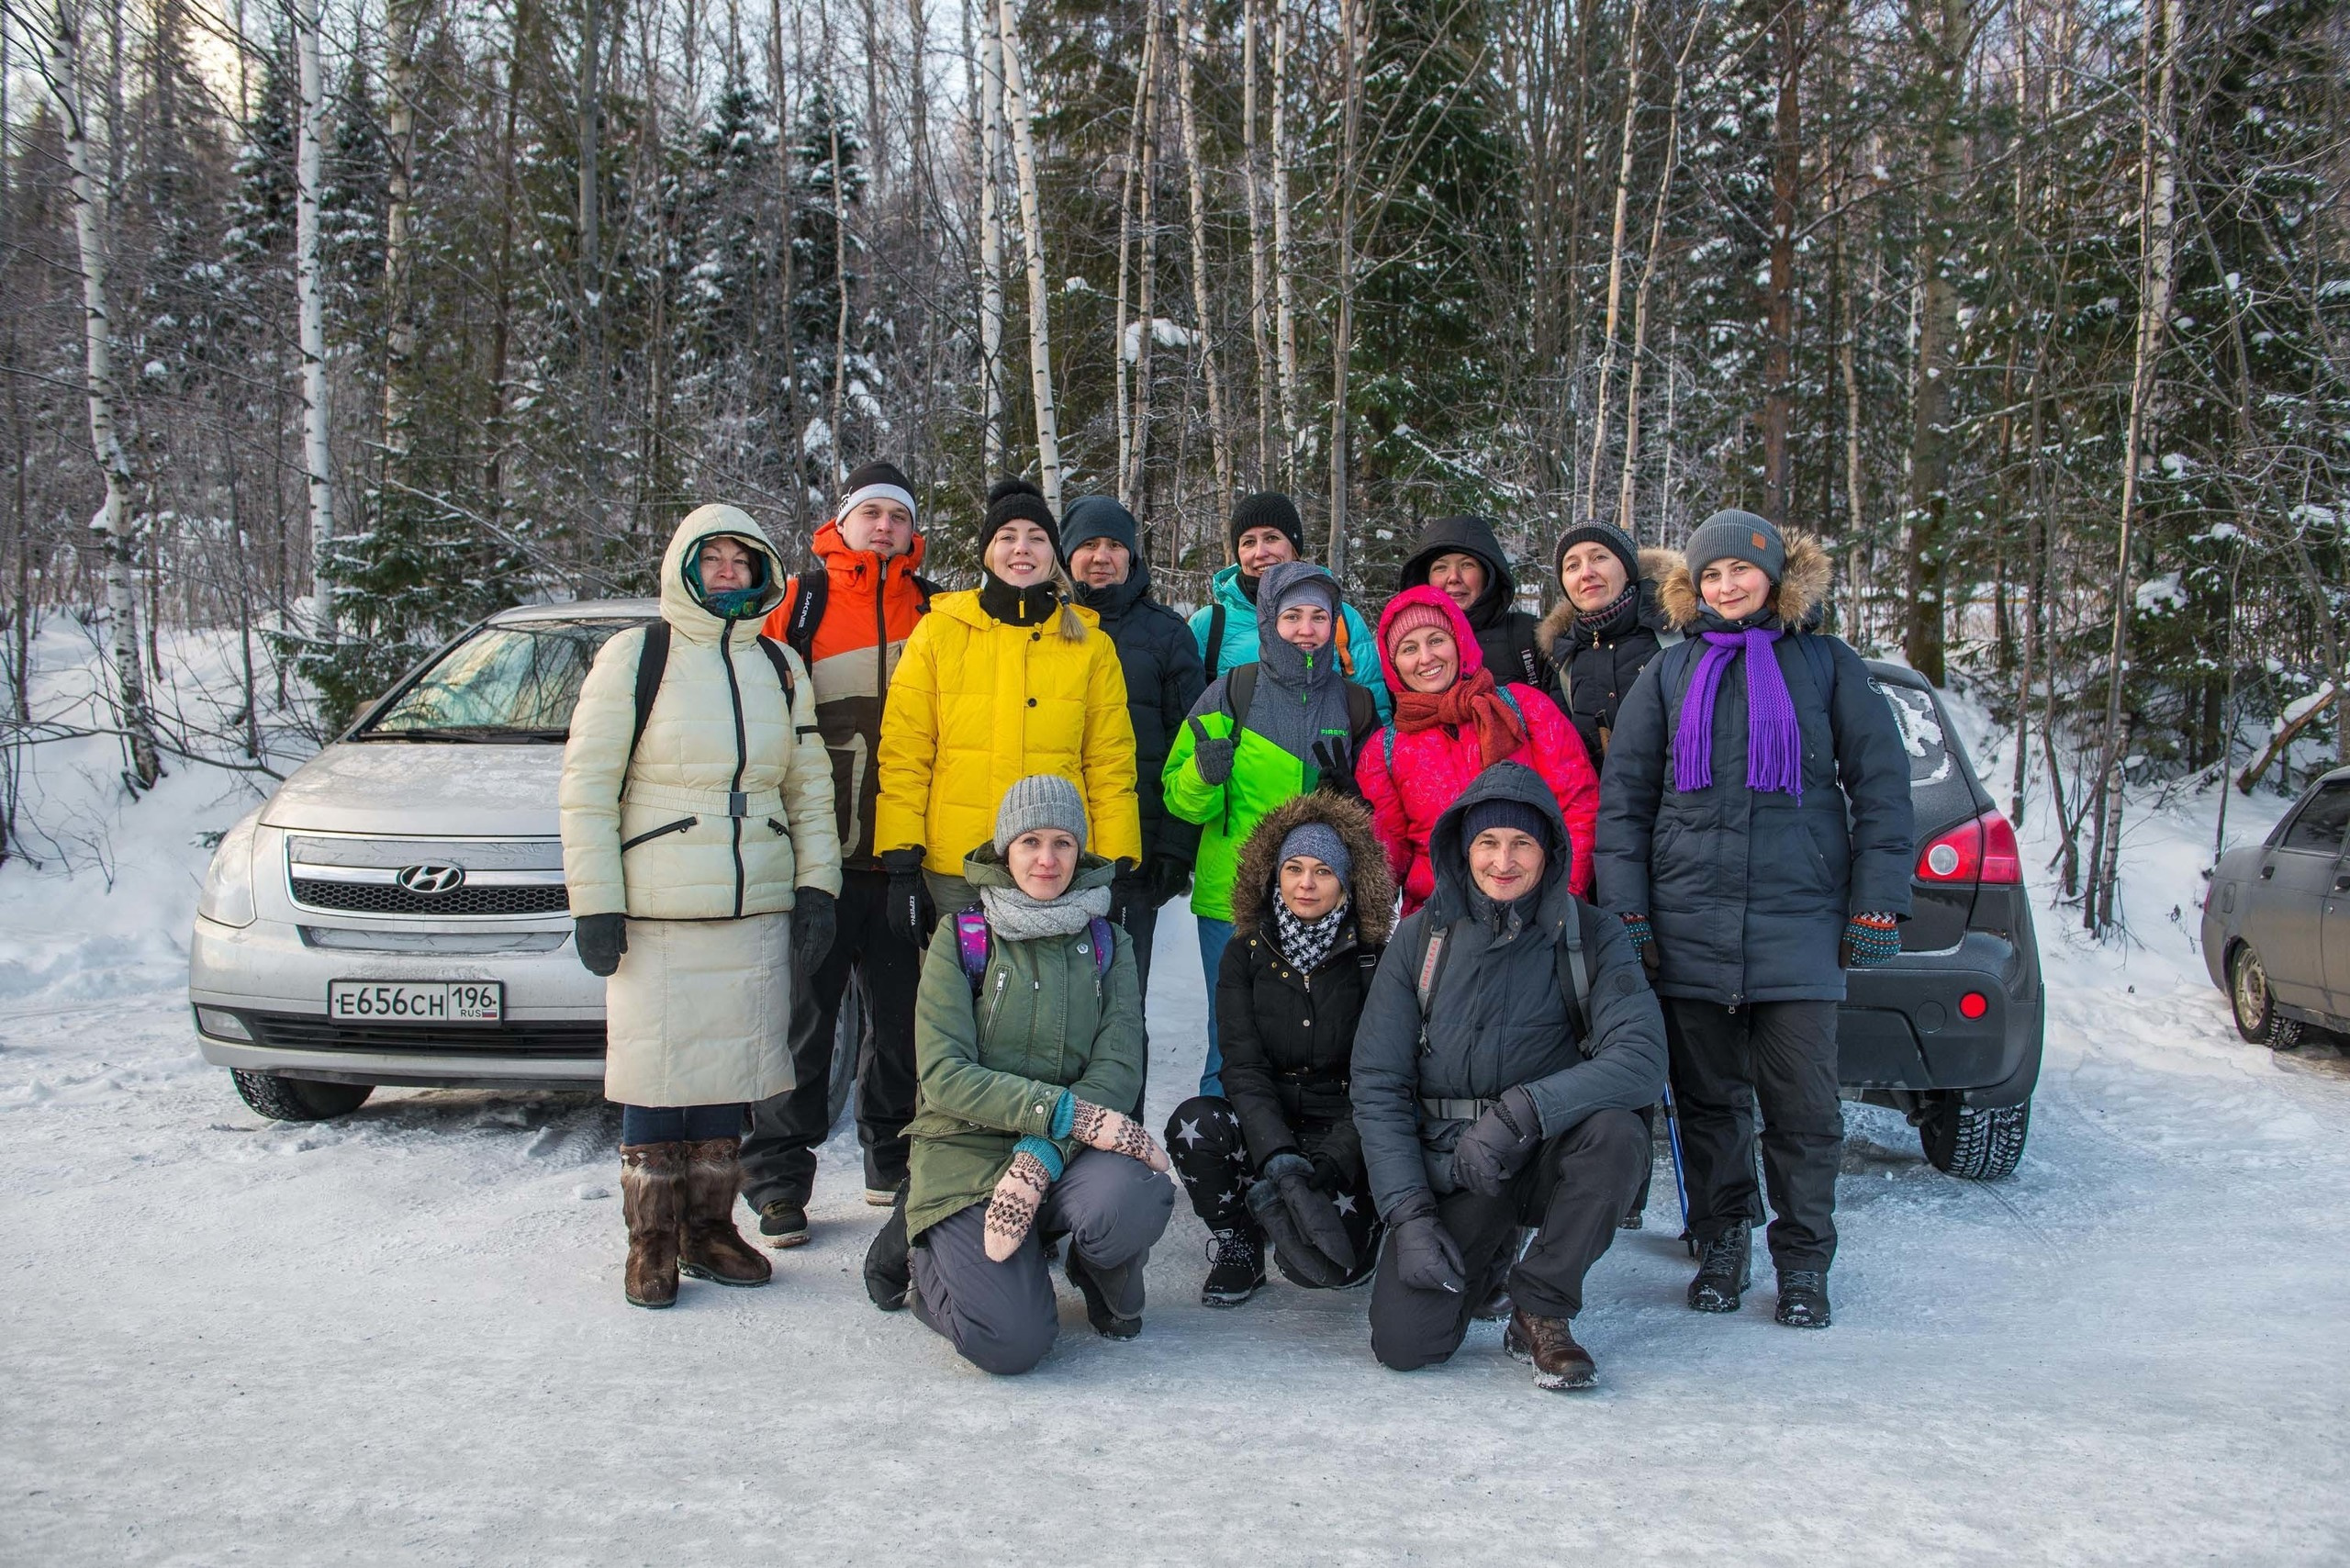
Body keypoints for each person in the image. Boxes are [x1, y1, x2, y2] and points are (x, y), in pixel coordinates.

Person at [1595, 510, 1914, 1330]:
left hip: (1799, 923)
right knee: (1707, 1103)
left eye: (1740, 571)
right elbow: (1625, 804)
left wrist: (1877, 900)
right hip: (1688, 921)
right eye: (1710, 576)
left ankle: (1804, 1262)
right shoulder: (1668, 675)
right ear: (1690, 588)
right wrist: (1629, 910)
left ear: (1775, 576)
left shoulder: (1827, 664)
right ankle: (1723, 1238)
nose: (1726, 586)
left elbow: (1881, 788)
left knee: (1805, 1110)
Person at [559, 504, 844, 1309]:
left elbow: (808, 788)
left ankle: (710, 1229)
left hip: (752, 904)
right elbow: (587, 789)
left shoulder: (780, 665)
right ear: (683, 566)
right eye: (711, 558)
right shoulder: (636, 656)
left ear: (761, 574)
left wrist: (817, 884)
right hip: (656, 909)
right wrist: (595, 902)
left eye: (740, 560)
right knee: (655, 1075)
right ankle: (650, 1240)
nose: (727, 571)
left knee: (730, 1072)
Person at [1349, 763, 1665, 1390]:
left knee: (1617, 1133)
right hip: (1457, 1167)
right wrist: (1409, 1215)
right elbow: (1378, 1085)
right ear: (1463, 849)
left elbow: (1641, 1060)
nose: (1504, 860)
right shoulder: (1420, 940)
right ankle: (1490, 1251)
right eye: (1488, 843)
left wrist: (1524, 1112)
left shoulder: (1593, 936)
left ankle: (1542, 1307)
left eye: (1522, 843)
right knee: (1407, 1345)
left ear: (1549, 850)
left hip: (1548, 1153)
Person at [883, 777, 1175, 1375]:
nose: (1047, 859)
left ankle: (1091, 1264)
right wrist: (1062, 1114)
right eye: (1030, 842)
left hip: (1065, 1153)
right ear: (1004, 849)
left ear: (1081, 850)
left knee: (1137, 1193)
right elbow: (943, 1075)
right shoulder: (960, 937)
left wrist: (1043, 1149)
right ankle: (928, 1268)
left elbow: (1118, 1067)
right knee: (1011, 1342)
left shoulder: (1108, 942)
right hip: (967, 1153)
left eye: (1063, 843)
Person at [738, 463, 938, 1249]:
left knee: (904, 1025)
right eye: (870, 514)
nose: (883, 526)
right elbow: (755, 716)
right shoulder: (798, 602)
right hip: (816, 858)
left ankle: (890, 1158)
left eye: (897, 514)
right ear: (842, 524)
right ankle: (779, 1179)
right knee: (804, 1023)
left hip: (902, 858)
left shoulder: (936, 610)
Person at [873, 476, 1142, 951]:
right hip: (957, 870)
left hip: (1053, 870)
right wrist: (900, 862)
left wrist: (1117, 862)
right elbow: (905, 753)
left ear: (1053, 554)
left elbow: (1110, 763)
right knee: (956, 1013)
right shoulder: (938, 633)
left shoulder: (1091, 646)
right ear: (987, 551)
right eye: (1007, 537)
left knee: (1047, 1014)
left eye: (1037, 538)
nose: (1022, 549)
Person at [1163, 793, 1394, 1305]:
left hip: (1344, 1134)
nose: (1306, 884)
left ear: (1348, 884)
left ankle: (1354, 1219)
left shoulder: (1375, 961)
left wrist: (1329, 1164)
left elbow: (1383, 1080)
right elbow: (1241, 1065)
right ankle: (1239, 1239)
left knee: (1326, 1269)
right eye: (1293, 868)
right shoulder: (1243, 954)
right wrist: (1280, 1156)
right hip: (1266, 1123)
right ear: (1273, 877)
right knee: (1193, 1123)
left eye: (1322, 871)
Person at [1163, 562, 1381, 1095]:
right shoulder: (1231, 693)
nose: (1306, 629)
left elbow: (1381, 807)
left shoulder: (1354, 703)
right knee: (1231, 1038)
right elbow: (1181, 801)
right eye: (1291, 616)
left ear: (1335, 624)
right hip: (1234, 899)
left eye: (1318, 617)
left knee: (1316, 1037)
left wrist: (1357, 800)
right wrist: (1201, 775)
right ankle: (1219, 1152)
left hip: (1322, 896)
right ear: (1268, 620)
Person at [1357, 584, 1599, 913]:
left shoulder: (1525, 708)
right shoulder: (1383, 751)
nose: (1426, 658)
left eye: (1437, 640)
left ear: (1460, 642)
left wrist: (1563, 894)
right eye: (1409, 648)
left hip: (1537, 911)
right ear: (1393, 664)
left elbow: (1579, 803)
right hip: (1443, 922)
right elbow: (1386, 859)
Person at [1061, 492, 1208, 1000]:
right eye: (1088, 545)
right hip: (1050, 850)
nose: (1101, 556)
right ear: (1067, 554)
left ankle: (1128, 1083)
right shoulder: (1042, 628)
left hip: (1133, 852)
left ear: (1131, 557)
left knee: (1119, 1001)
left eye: (1114, 546)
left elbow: (1187, 745)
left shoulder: (1167, 635)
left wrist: (1174, 845)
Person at [1187, 492, 1390, 719]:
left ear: (1294, 547)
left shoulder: (1341, 618)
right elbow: (1190, 718)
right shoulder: (1210, 625)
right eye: (1248, 542)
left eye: (1272, 538)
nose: (1260, 552)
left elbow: (1374, 715)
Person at [1537, 518, 1684, 766]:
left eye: (1599, 558)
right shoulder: (1563, 658)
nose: (1586, 573)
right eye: (1572, 566)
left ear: (1626, 569)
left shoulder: (1676, 628)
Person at [1397, 513, 1556, 697]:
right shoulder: (1406, 646)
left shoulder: (1530, 636)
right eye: (1441, 568)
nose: (1454, 578)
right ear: (1426, 579)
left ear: (1488, 575)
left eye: (1467, 565)